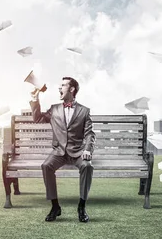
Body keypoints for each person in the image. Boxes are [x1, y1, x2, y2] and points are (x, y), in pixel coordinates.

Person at [30, 76, 95, 223]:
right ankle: (55, 207)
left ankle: (81, 207)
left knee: (87, 167)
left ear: (71, 89)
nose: (59, 88)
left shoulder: (84, 111)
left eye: (63, 85)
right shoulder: (54, 109)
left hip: (78, 151)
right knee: (46, 166)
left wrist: (88, 150)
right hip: (59, 151)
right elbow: (38, 118)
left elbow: (90, 133)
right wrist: (35, 99)